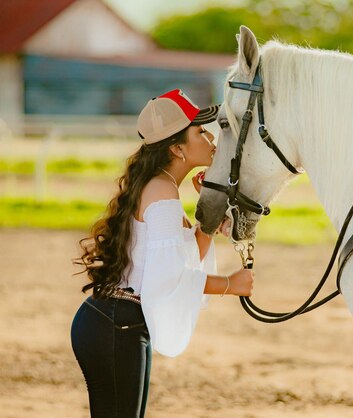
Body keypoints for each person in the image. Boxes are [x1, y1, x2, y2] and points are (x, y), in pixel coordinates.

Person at [71, 89, 253, 418]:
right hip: (117, 325)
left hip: (117, 323)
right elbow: (168, 277)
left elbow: (182, 260)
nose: (210, 136)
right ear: (176, 148)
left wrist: (208, 214)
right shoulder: (163, 193)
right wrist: (229, 284)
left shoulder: (159, 186)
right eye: (200, 131)